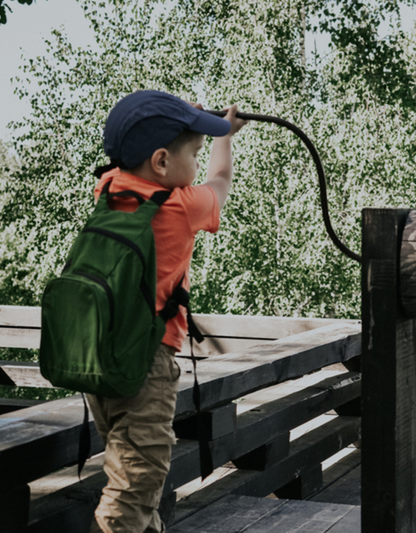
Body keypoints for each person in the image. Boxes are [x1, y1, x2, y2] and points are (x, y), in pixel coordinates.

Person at [87, 90, 248, 533]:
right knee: (135, 488)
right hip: (147, 364)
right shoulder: (179, 206)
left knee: (136, 479)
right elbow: (220, 185)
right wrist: (224, 139)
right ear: (161, 162)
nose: (197, 163)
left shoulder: (110, 189)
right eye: (193, 152)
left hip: (99, 357)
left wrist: (192, 122)